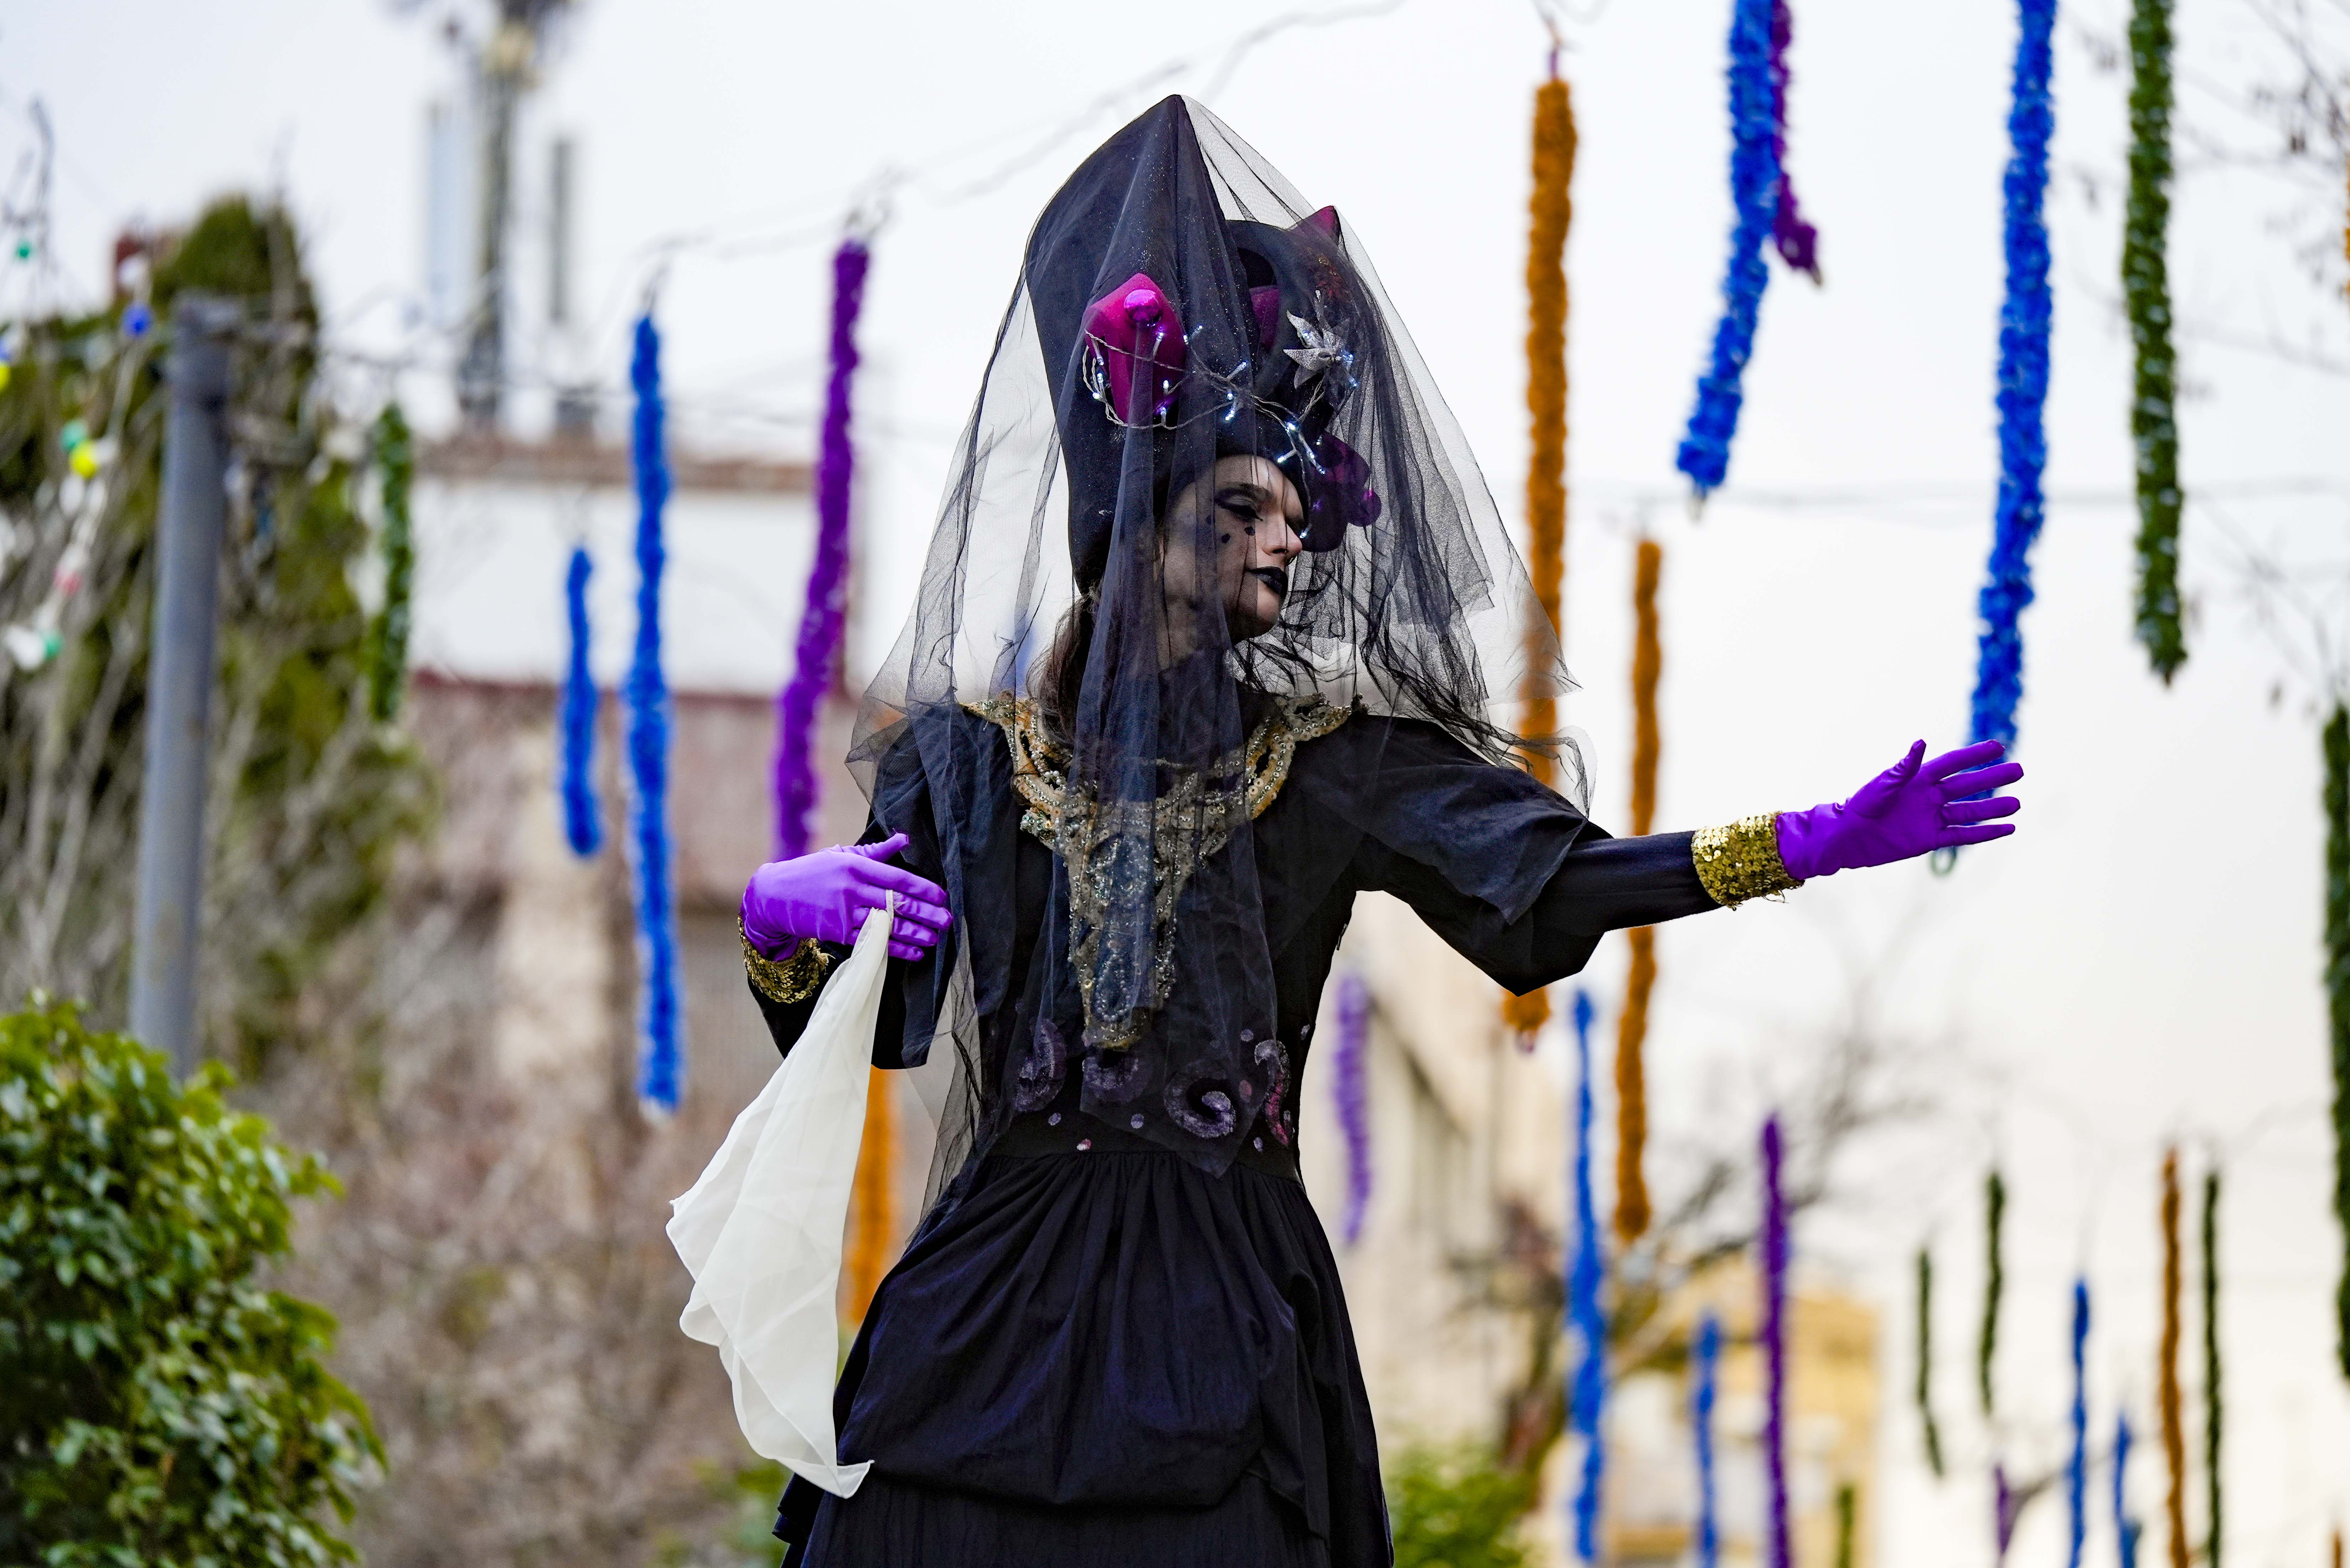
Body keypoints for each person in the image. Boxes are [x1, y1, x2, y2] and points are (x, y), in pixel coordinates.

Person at [732, 96, 2022, 1567]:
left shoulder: (1325, 766)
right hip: (985, 1325)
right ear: (1143, 510)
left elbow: (1557, 884)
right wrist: (779, 921)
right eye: (1245, 502)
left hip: (1222, 1334)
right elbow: (877, 1028)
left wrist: (1799, 843)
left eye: (1296, 506)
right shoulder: (969, 765)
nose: (1289, 535)